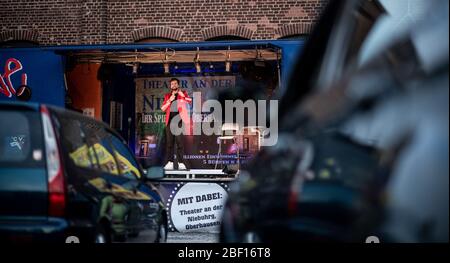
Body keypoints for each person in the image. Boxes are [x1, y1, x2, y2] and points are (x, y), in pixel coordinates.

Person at [160, 78, 192, 170]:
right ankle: (169, 162)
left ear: (178, 85)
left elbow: (189, 101)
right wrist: (170, 100)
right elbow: (163, 108)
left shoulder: (183, 93)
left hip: (179, 121)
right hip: (169, 122)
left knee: (179, 143)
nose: (173, 85)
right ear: (170, 86)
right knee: (169, 144)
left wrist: (182, 95)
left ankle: (181, 163)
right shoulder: (167, 96)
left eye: (175, 83)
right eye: (172, 84)